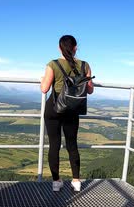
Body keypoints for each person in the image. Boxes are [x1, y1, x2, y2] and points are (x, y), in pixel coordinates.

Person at [40, 35, 94, 192]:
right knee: (72, 145)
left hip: (54, 109)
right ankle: (76, 181)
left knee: (54, 145)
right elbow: (90, 90)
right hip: (72, 109)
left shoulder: (53, 64)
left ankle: (56, 183)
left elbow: (44, 89)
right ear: (76, 47)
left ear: (59, 48)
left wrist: (42, 79)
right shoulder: (85, 65)